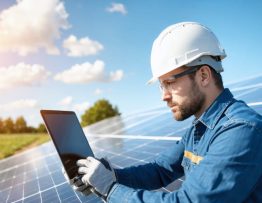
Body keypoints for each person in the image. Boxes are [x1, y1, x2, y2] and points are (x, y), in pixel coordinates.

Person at [69, 22, 262, 202]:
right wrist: (108, 175)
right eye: (161, 86)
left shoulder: (241, 131)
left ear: (203, 75)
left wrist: (111, 189)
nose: (164, 96)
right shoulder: (200, 129)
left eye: (170, 82)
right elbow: (159, 170)